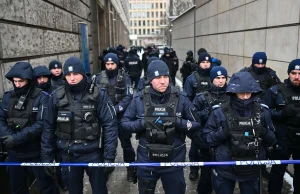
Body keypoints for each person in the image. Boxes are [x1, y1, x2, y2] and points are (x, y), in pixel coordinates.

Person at [121, 60, 201, 194]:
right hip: (147, 162)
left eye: (165, 77)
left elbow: (196, 124)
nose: (163, 81)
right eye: (158, 78)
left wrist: (177, 122)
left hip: (173, 162)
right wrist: (142, 124)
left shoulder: (180, 97)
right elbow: (124, 123)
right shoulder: (139, 98)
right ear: (150, 79)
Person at [41, 57, 118, 194]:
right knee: (74, 190)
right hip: (68, 154)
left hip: (93, 152)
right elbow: (48, 128)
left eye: (75, 74)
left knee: (100, 190)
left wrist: (109, 156)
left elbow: (110, 125)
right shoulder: (55, 96)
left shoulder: (98, 94)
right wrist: (47, 158)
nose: (72, 78)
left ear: (83, 74)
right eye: (68, 75)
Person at [201, 71, 276, 194]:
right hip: (225, 167)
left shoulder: (262, 112)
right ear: (233, 93)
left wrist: (262, 131)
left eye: (248, 93)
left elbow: (273, 139)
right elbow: (206, 139)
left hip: (252, 167)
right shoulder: (219, 112)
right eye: (241, 93)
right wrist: (224, 132)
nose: (246, 97)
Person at [0, 62, 59, 194]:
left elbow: (41, 124)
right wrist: (7, 136)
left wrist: (15, 138)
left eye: (21, 81)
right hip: (14, 153)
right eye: (15, 81)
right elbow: (1, 119)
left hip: (36, 152)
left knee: (47, 186)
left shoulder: (42, 97)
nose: (17, 84)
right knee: (17, 187)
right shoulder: (8, 97)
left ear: (29, 79)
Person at [96, 53, 136, 181]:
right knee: (105, 145)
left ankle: (130, 169)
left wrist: (118, 108)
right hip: (104, 120)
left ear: (116, 64)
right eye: (107, 64)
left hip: (121, 117)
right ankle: (107, 168)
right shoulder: (98, 78)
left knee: (126, 145)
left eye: (112, 64)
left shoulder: (125, 77)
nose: (110, 66)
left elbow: (128, 96)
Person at [264, 59, 300, 194]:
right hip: (282, 139)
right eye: (293, 73)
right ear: (288, 73)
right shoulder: (275, 91)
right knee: (277, 172)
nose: (297, 76)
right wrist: (280, 114)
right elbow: (264, 112)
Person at [192, 66, 229, 193]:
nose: (221, 81)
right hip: (207, 143)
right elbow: (193, 120)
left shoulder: (231, 96)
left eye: (223, 78)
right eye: (218, 78)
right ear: (212, 79)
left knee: (224, 177)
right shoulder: (201, 97)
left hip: (225, 143)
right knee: (206, 176)